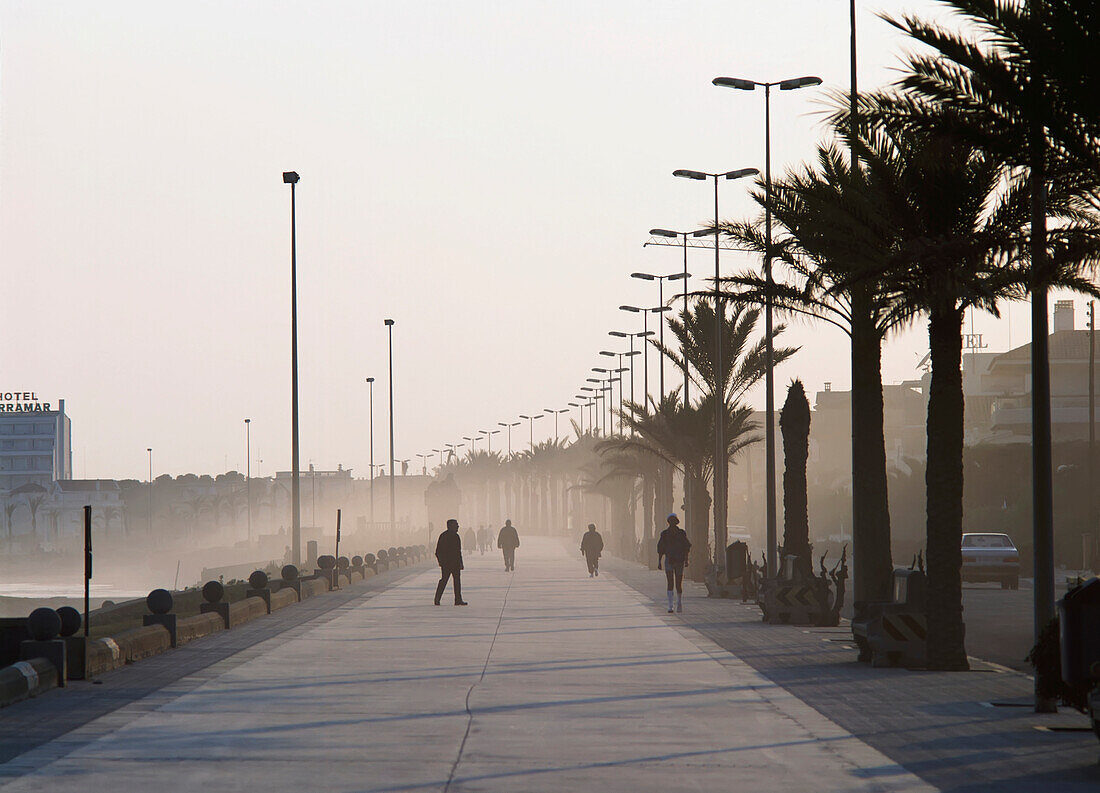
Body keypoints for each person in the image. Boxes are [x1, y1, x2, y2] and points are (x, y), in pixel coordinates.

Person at [656, 513, 691, 613]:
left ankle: (677, 603)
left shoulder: (679, 533)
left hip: (676, 560)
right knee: (672, 582)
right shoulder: (666, 534)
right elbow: (661, 548)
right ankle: (672, 605)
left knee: (677, 583)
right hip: (672, 560)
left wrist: (686, 559)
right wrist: (659, 561)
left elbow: (686, 547)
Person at [434, 518, 468, 606]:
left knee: (457, 581)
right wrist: (441, 562)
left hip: (455, 563)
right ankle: (437, 598)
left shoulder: (456, 536)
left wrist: (461, 562)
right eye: (456, 525)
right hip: (447, 563)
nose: (458, 526)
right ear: (450, 526)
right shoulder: (444, 536)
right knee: (444, 580)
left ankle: (458, 599)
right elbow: (438, 551)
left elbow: (458, 551)